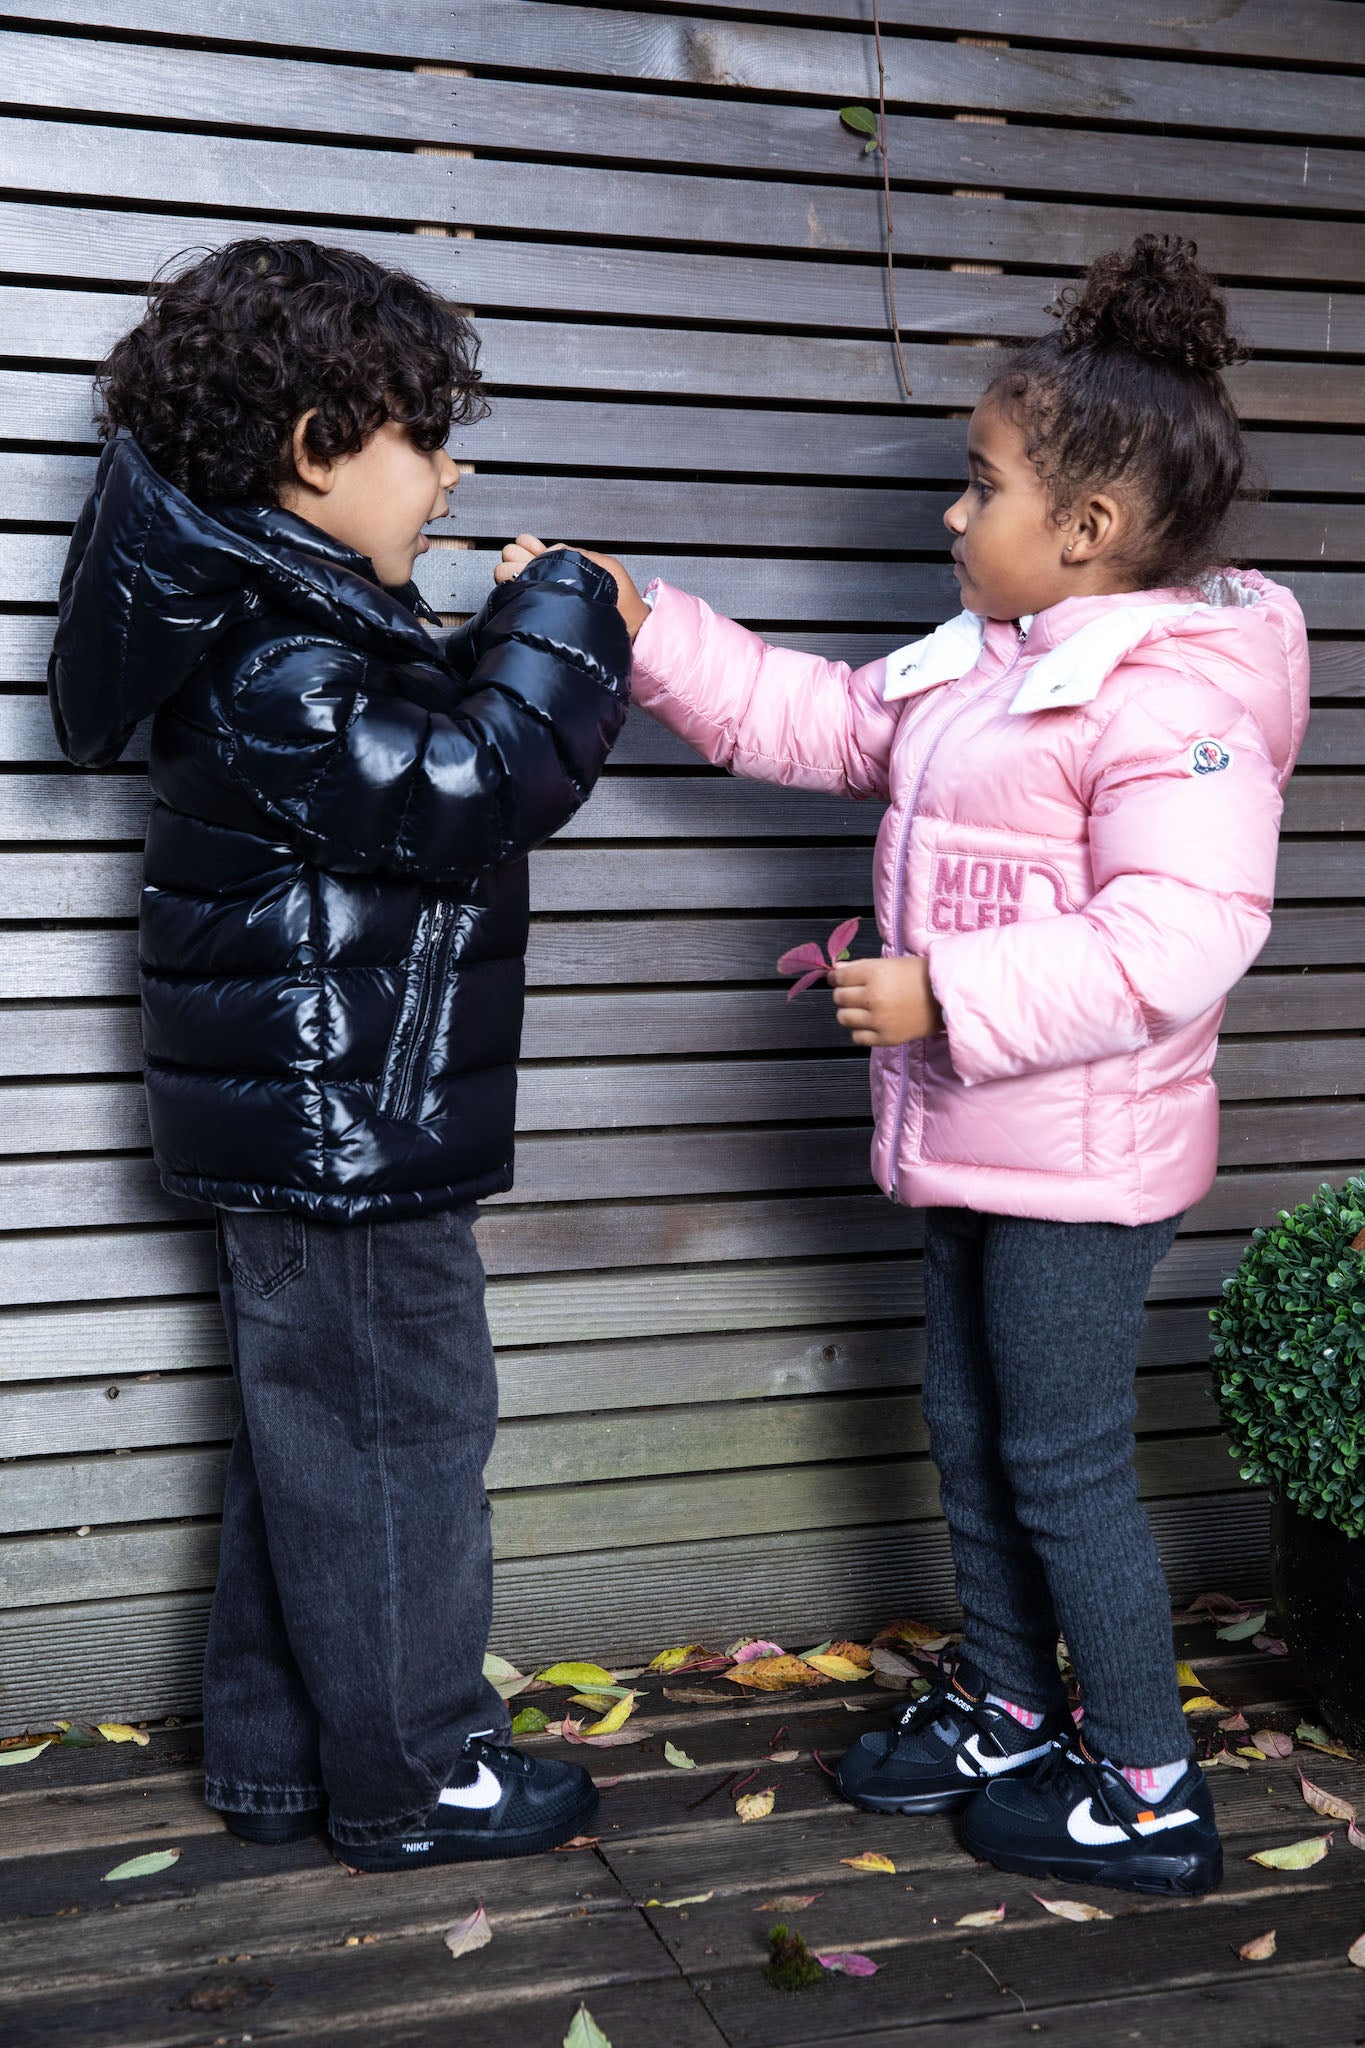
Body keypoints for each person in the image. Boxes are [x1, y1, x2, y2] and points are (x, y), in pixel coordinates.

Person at [496, 235, 1309, 1896]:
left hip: (1079, 1160)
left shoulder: (1171, 702)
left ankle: (1149, 1784)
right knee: (968, 1425)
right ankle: (1014, 1701)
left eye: (977, 485)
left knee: (1061, 1459)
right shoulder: (985, 671)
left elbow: (1184, 934)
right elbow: (817, 725)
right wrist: (652, 626)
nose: (951, 515)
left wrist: (942, 992)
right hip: (963, 1137)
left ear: (1081, 532)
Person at [49, 238, 632, 1871]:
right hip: (345, 1133)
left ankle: (278, 1761)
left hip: (325, 1116)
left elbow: (414, 758)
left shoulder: (274, 613)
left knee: (319, 1449)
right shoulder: (278, 654)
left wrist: (500, 628)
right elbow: (462, 789)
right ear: (313, 448)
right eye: (421, 438)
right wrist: (568, 612)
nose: (448, 473)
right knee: (399, 1449)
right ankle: (416, 1779)